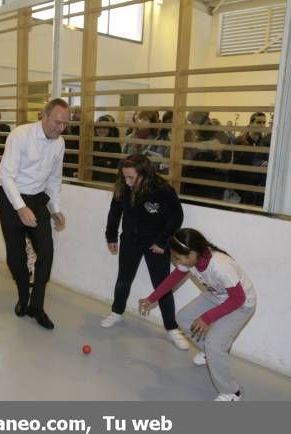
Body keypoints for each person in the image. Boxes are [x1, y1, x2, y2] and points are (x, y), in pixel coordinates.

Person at [139, 228, 256, 401]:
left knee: (215, 343)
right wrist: (152, 298)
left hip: (242, 304)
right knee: (183, 318)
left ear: (193, 253)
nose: (175, 261)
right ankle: (210, 352)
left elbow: (238, 298)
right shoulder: (190, 261)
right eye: (174, 257)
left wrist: (207, 317)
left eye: (178, 258)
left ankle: (232, 391)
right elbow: (173, 279)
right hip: (217, 296)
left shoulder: (220, 266)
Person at [101, 155, 188, 350]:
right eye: (125, 177)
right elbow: (114, 212)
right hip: (130, 240)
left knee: (162, 285)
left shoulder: (163, 190)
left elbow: (176, 217)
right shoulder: (124, 188)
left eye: (132, 178)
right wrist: (111, 236)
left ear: (145, 174)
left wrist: (163, 241)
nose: (127, 182)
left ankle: (172, 327)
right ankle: (116, 312)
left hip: (156, 243)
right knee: (124, 279)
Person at [0, 98, 68, 330]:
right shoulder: (20, 135)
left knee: (46, 253)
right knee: (15, 258)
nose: (61, 128)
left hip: (37, 199)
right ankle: (23, 297)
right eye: (57, 122)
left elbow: (54, 180)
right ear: (43, 117)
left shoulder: (60, 144)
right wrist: (20, 208)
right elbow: (6, 176)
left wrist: (55, 209)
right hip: (11, 198)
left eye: (65, 124)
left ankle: (36, 306)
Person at [92, 114, 121, 183]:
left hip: (108, 179)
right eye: (99, 128)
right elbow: (88, 162)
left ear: (109, 130)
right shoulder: (91, 142)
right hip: (92, 177)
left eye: (105, 128)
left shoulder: (115, 144)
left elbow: (113, 165)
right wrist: (104, 162)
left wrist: (95, 162)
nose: (101, 130)